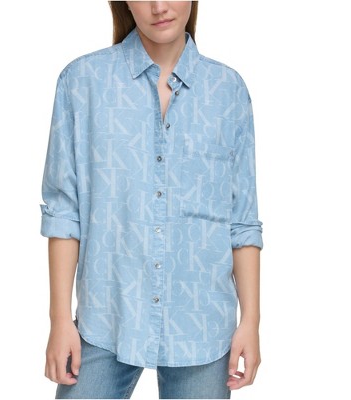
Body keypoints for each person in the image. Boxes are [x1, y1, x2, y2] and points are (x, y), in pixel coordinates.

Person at [40, 1, 263, 399]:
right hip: (106, 318)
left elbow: (242, 220)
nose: (159, 7)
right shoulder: (83, 82)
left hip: (202, 327)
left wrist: (251, 322)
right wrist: (59, 320)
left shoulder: (227, 91)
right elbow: (64, 213)